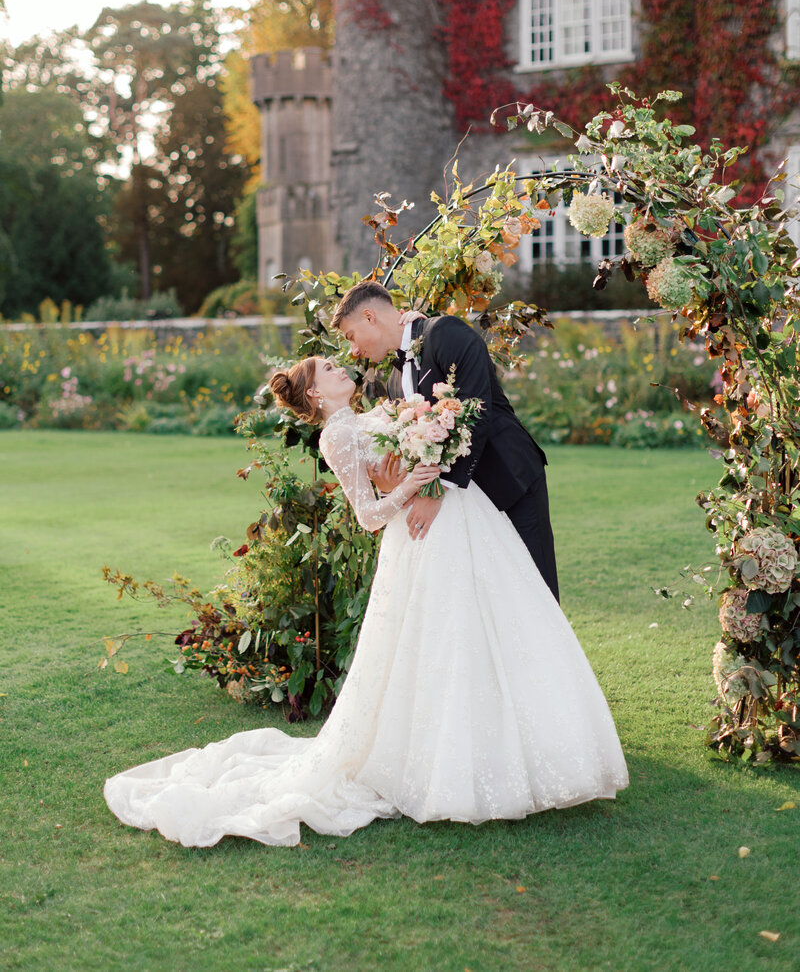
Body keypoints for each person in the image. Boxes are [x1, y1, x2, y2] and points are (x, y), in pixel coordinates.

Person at [103, 355, 628, 848]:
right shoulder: (338, 435)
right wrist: (414, 486)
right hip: (419, 534)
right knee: (445, 638)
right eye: (330, 367)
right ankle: (447, 765)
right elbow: (368, 514)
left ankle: (515, 748)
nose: (342, 367)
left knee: (492, 623)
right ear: (315, 391)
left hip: (461, 520)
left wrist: (429, 441)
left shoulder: (376, 411)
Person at [332, 281, 560, 601]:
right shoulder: (395, 382)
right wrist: (394, 485)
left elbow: (475, 410)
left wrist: (435, 493)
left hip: (509, 478)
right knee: (494, 597)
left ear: (369, 317)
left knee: (536, 590)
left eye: (350, 336)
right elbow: (418, 448)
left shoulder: (445, 334)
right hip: (466, 508)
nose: (353, 350)